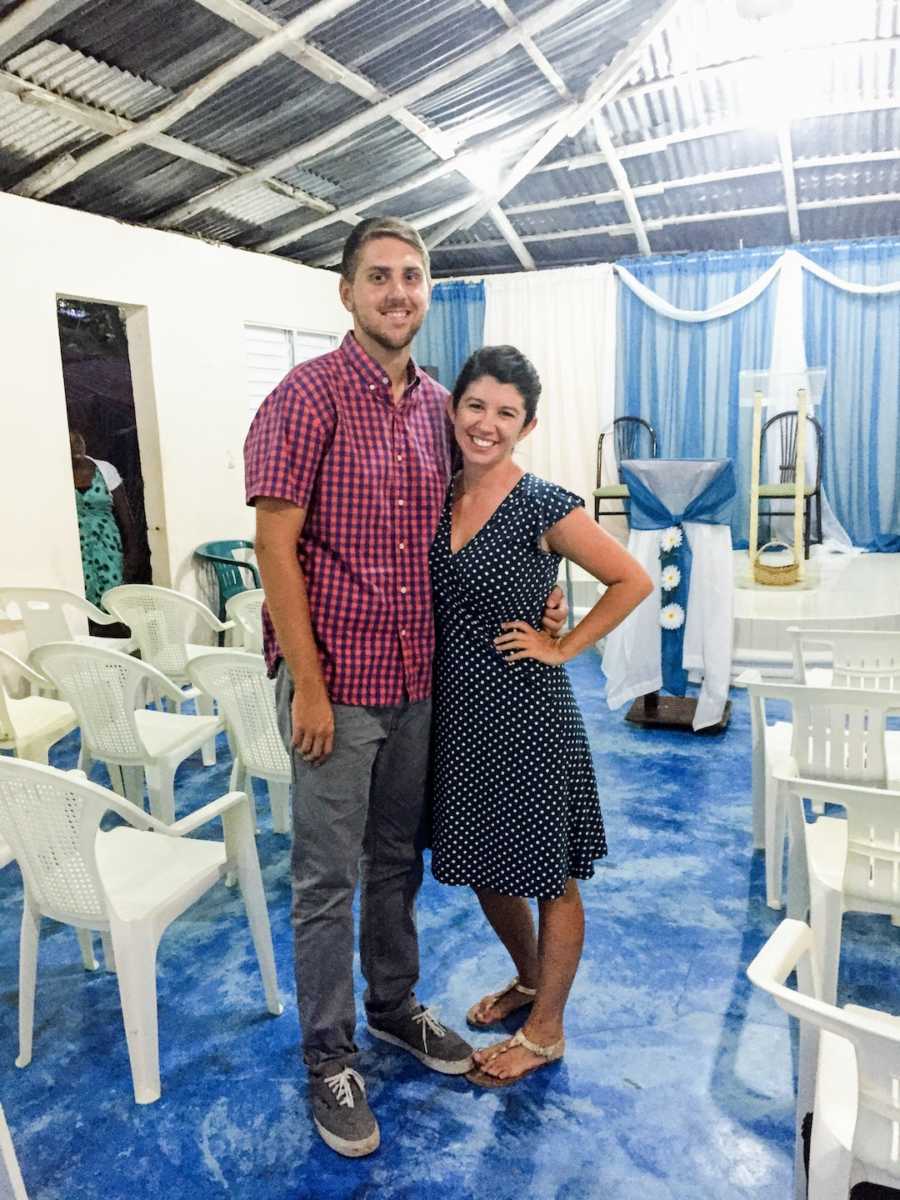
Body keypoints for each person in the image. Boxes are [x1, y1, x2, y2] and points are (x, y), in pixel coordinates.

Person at [243, 218, 566, 1157]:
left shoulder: (436, 406)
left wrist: (535, 592)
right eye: (377, 277)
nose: (396, 292)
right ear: (345, 292)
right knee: (325, 879)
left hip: (419, 682)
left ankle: (392, 1007)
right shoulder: (303, 400)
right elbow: (275, 546)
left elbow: (476, 509)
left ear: (428, 294)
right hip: (335, 689)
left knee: (397, 864)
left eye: (412, 278)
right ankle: (328, 1056)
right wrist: (305, 683)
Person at [429, 345, 653, 1087]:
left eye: (506, 413)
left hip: (528, 716)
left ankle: (547, 1030)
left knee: (550, 877)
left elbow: (630, 579)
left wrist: (565, 648)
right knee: (488, 865)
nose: (486, 424)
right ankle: (529, 979)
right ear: (453, 407)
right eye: (476, 406)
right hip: (456, 717)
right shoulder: (433, 490)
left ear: (526, 426)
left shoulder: (542, 503)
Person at [69, 430, 138, 608]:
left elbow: (126, 517)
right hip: (76, 549)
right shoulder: (59, 475)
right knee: (83, 601)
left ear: (84, 444)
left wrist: (132, 553)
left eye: (78, 441)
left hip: (107, 545)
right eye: (70, 443)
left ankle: (115, 633)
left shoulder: (105, 469)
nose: (75, 445)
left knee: (113, 598)